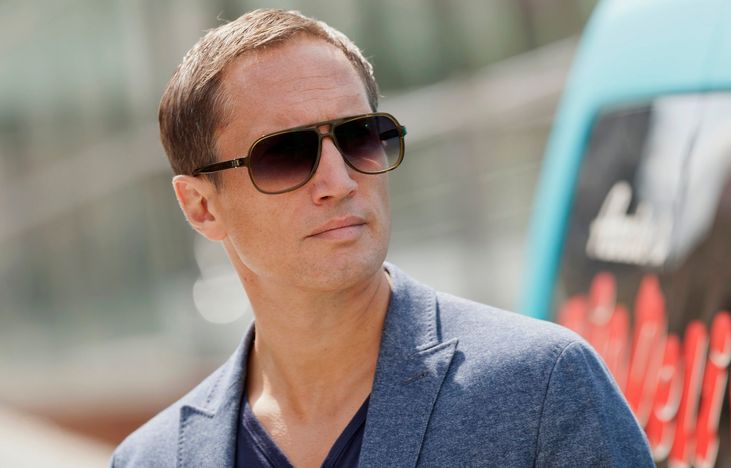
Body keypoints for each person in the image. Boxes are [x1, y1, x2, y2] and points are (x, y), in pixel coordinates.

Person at [112, 8, 654, 467]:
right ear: (202, 207)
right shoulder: (151, 459)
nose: (340, 181)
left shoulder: (542, 387)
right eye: (285, 154)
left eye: (359, 137)